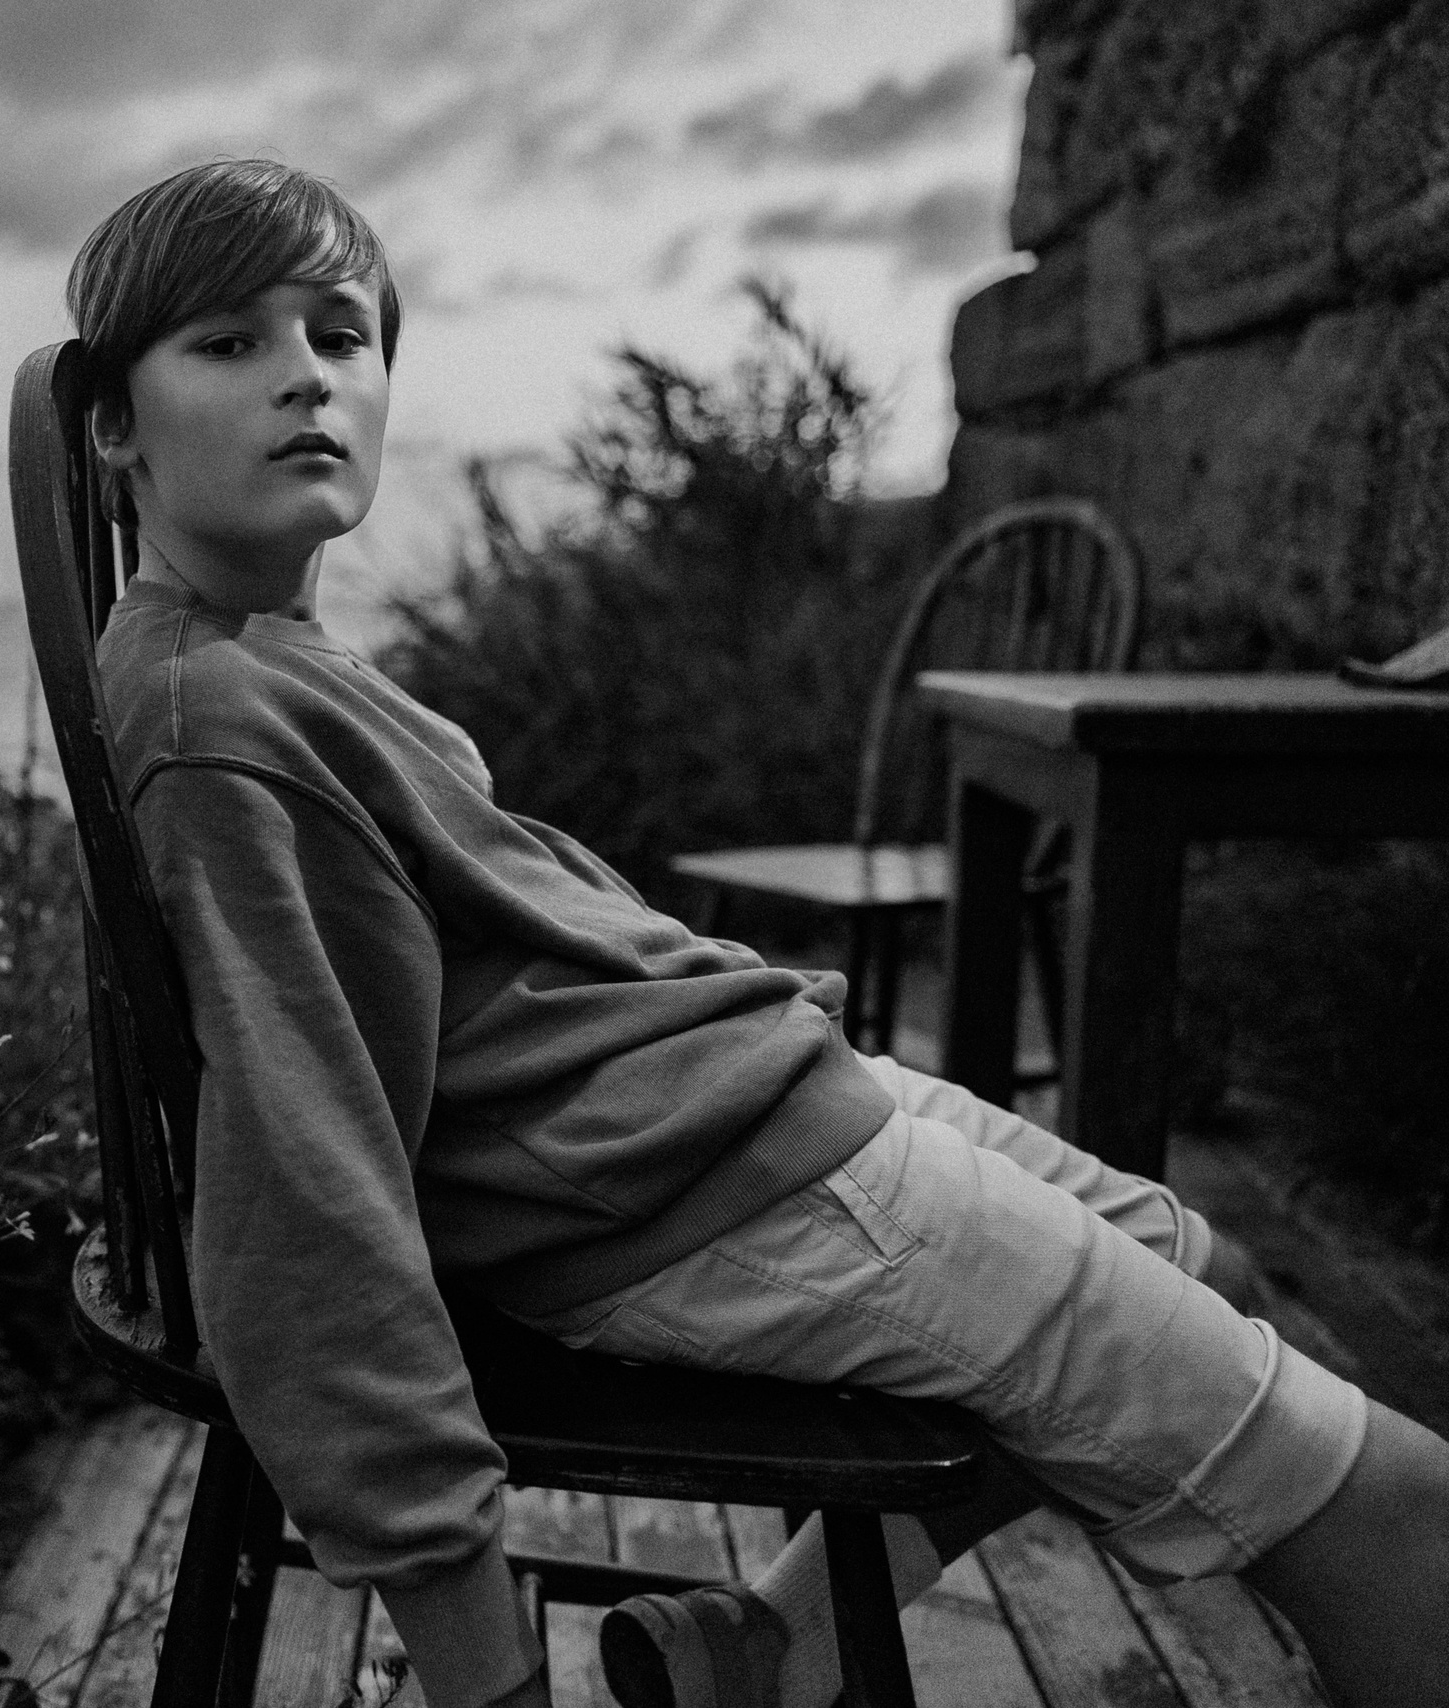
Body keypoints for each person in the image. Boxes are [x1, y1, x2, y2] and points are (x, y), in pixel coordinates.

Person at [70, 157, 1449, 1708]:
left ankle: (758, 1654)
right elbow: (305, 1204)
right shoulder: (222, 732)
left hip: (744, 1104)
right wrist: (483, 1671)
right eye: (230, 342)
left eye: (340, 333)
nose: (306, 378)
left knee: (1222, 1265)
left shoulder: (269, 659)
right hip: (704, 1191)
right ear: (114, 423)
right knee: (1400, 1504)